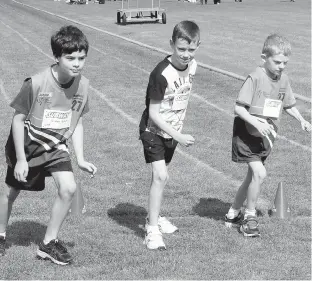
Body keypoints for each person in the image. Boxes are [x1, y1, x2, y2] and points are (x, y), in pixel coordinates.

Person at [0, 25, 97, 264]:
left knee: (69, 188)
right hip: (29, 145)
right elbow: (18, 118)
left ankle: (48, 243)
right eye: (70, 58)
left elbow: (77, 122)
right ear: (57, 57)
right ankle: (0, 234)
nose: (77, 63)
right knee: (11, 193)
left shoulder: (83, 86)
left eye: (81, 58)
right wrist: (21, 159)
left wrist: (81, 158)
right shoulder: (35, 83)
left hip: (55, 146)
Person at [224, 34, 311, 237]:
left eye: (285, 63)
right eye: (277, 62)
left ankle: (232, 213)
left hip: (266, 137)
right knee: (260, 174)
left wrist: (301, 120)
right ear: (264, 57)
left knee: (250, 179)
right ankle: (249, 218)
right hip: (247, 134)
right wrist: (256, 122)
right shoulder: (255, 77)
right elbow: (239, 108)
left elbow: (288, 105)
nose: (281, 66)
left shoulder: (284, 80)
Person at [139, 20, 200, 250]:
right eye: (181, 49)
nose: (186, 55)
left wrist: (176, 132)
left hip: (172, 132)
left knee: (160, 178)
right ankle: (152, 231)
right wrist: (179, 135)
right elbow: (153, 114)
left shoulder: (193, 66)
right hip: (153, 130)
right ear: (171, 44)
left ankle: (153, 217)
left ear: (197, 46)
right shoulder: (160, 74)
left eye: (191, 50)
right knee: (161, 176)